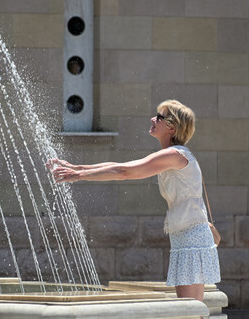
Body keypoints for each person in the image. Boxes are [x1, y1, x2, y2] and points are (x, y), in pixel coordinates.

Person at [47, 99, 220, 301]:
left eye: (159, 117)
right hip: (186, 237)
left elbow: (125, 172)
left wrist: (79, 175)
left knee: (192, 310)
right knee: (190, 308)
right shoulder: (171, 155)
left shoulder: (175, 155)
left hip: (192, 239)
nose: (153, 119)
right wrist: (78, 168)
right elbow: (122, 165)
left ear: (171, 127)